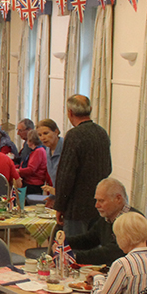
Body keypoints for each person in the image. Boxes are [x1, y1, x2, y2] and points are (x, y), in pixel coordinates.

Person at [54, 95, 112, 237]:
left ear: (70, 112)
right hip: (98, 205)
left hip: (77, 208)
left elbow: (65, 175)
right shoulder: (102, 133)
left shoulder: (74, 136)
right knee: (94, 251)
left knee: (75, 251)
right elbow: (108, 168)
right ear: (90, 109)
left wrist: (60, 206)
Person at [64, 177, 147, 267]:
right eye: (96, 200)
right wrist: (64, 242)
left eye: (101, 201)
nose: (96, 205)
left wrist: (75, 257)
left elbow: (113, 252)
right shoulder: (107, 217)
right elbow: (89, 239)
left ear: (118, 199)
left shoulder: (133, 221)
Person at [37, 118, 63, 199]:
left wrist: (56, 193)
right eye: (40, 135)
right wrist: (52, 197)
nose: (42, 138)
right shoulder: (47, 149)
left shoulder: (65, 148)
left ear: (56, 132)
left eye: (46, 133)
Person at [16, 130, 47, 194]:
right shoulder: (35, 151)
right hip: (31, 183)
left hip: (33, 184)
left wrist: (18, 171)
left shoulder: (39, 151)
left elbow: (31, 169)